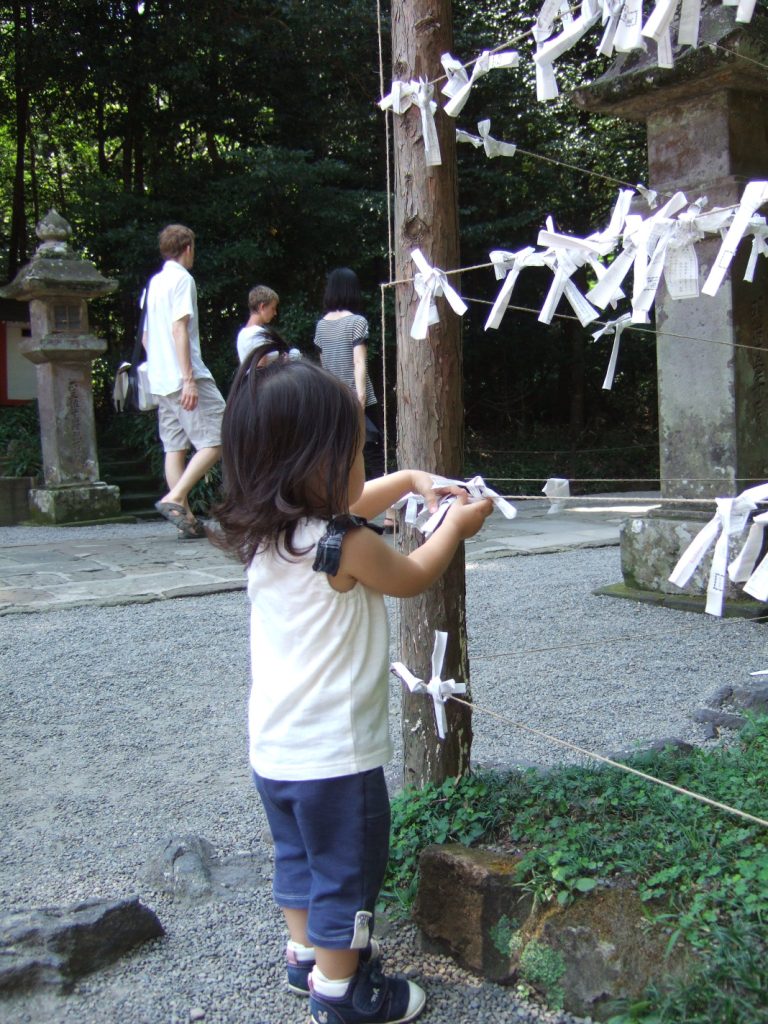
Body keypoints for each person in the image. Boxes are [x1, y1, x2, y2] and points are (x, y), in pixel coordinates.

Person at [212, 341, 493, 1024]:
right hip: (335, 759)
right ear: (314, 467)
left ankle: (305, 956)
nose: (362, 466)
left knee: (298, 858)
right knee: (347, 869)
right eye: (354, 454)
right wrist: (456, 524)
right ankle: (341, 994)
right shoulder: (349, 546)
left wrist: (410, 479)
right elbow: (413, 575)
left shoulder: (267, 533)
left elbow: (353, 500)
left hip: (275, 751)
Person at [143, 223, 225, 539]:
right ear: (188, 248)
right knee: (219, 437)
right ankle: (175, 498)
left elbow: (148, 336)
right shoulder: (181, 279)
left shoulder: (154, 283)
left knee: (174, 446)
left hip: (160, 379)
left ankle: (187, 521)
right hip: (184, 375)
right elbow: (180, 328)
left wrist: (162, 367)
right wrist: (188, 378)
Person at [314, 266, 395, 531]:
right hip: (360, 401)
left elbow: (324, 367)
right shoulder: (357, 322)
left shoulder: (321, 326)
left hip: (332, 402)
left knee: (339, 457)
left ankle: (341, 511)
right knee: (375, 456)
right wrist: (359, 399)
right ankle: (390, 515)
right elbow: (359, 363)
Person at [236, 284, 280, 364]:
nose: (275, 313)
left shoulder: (242, 334)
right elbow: (260, 366)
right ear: (262, 307)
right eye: (273, 308)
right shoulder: (259, 333)